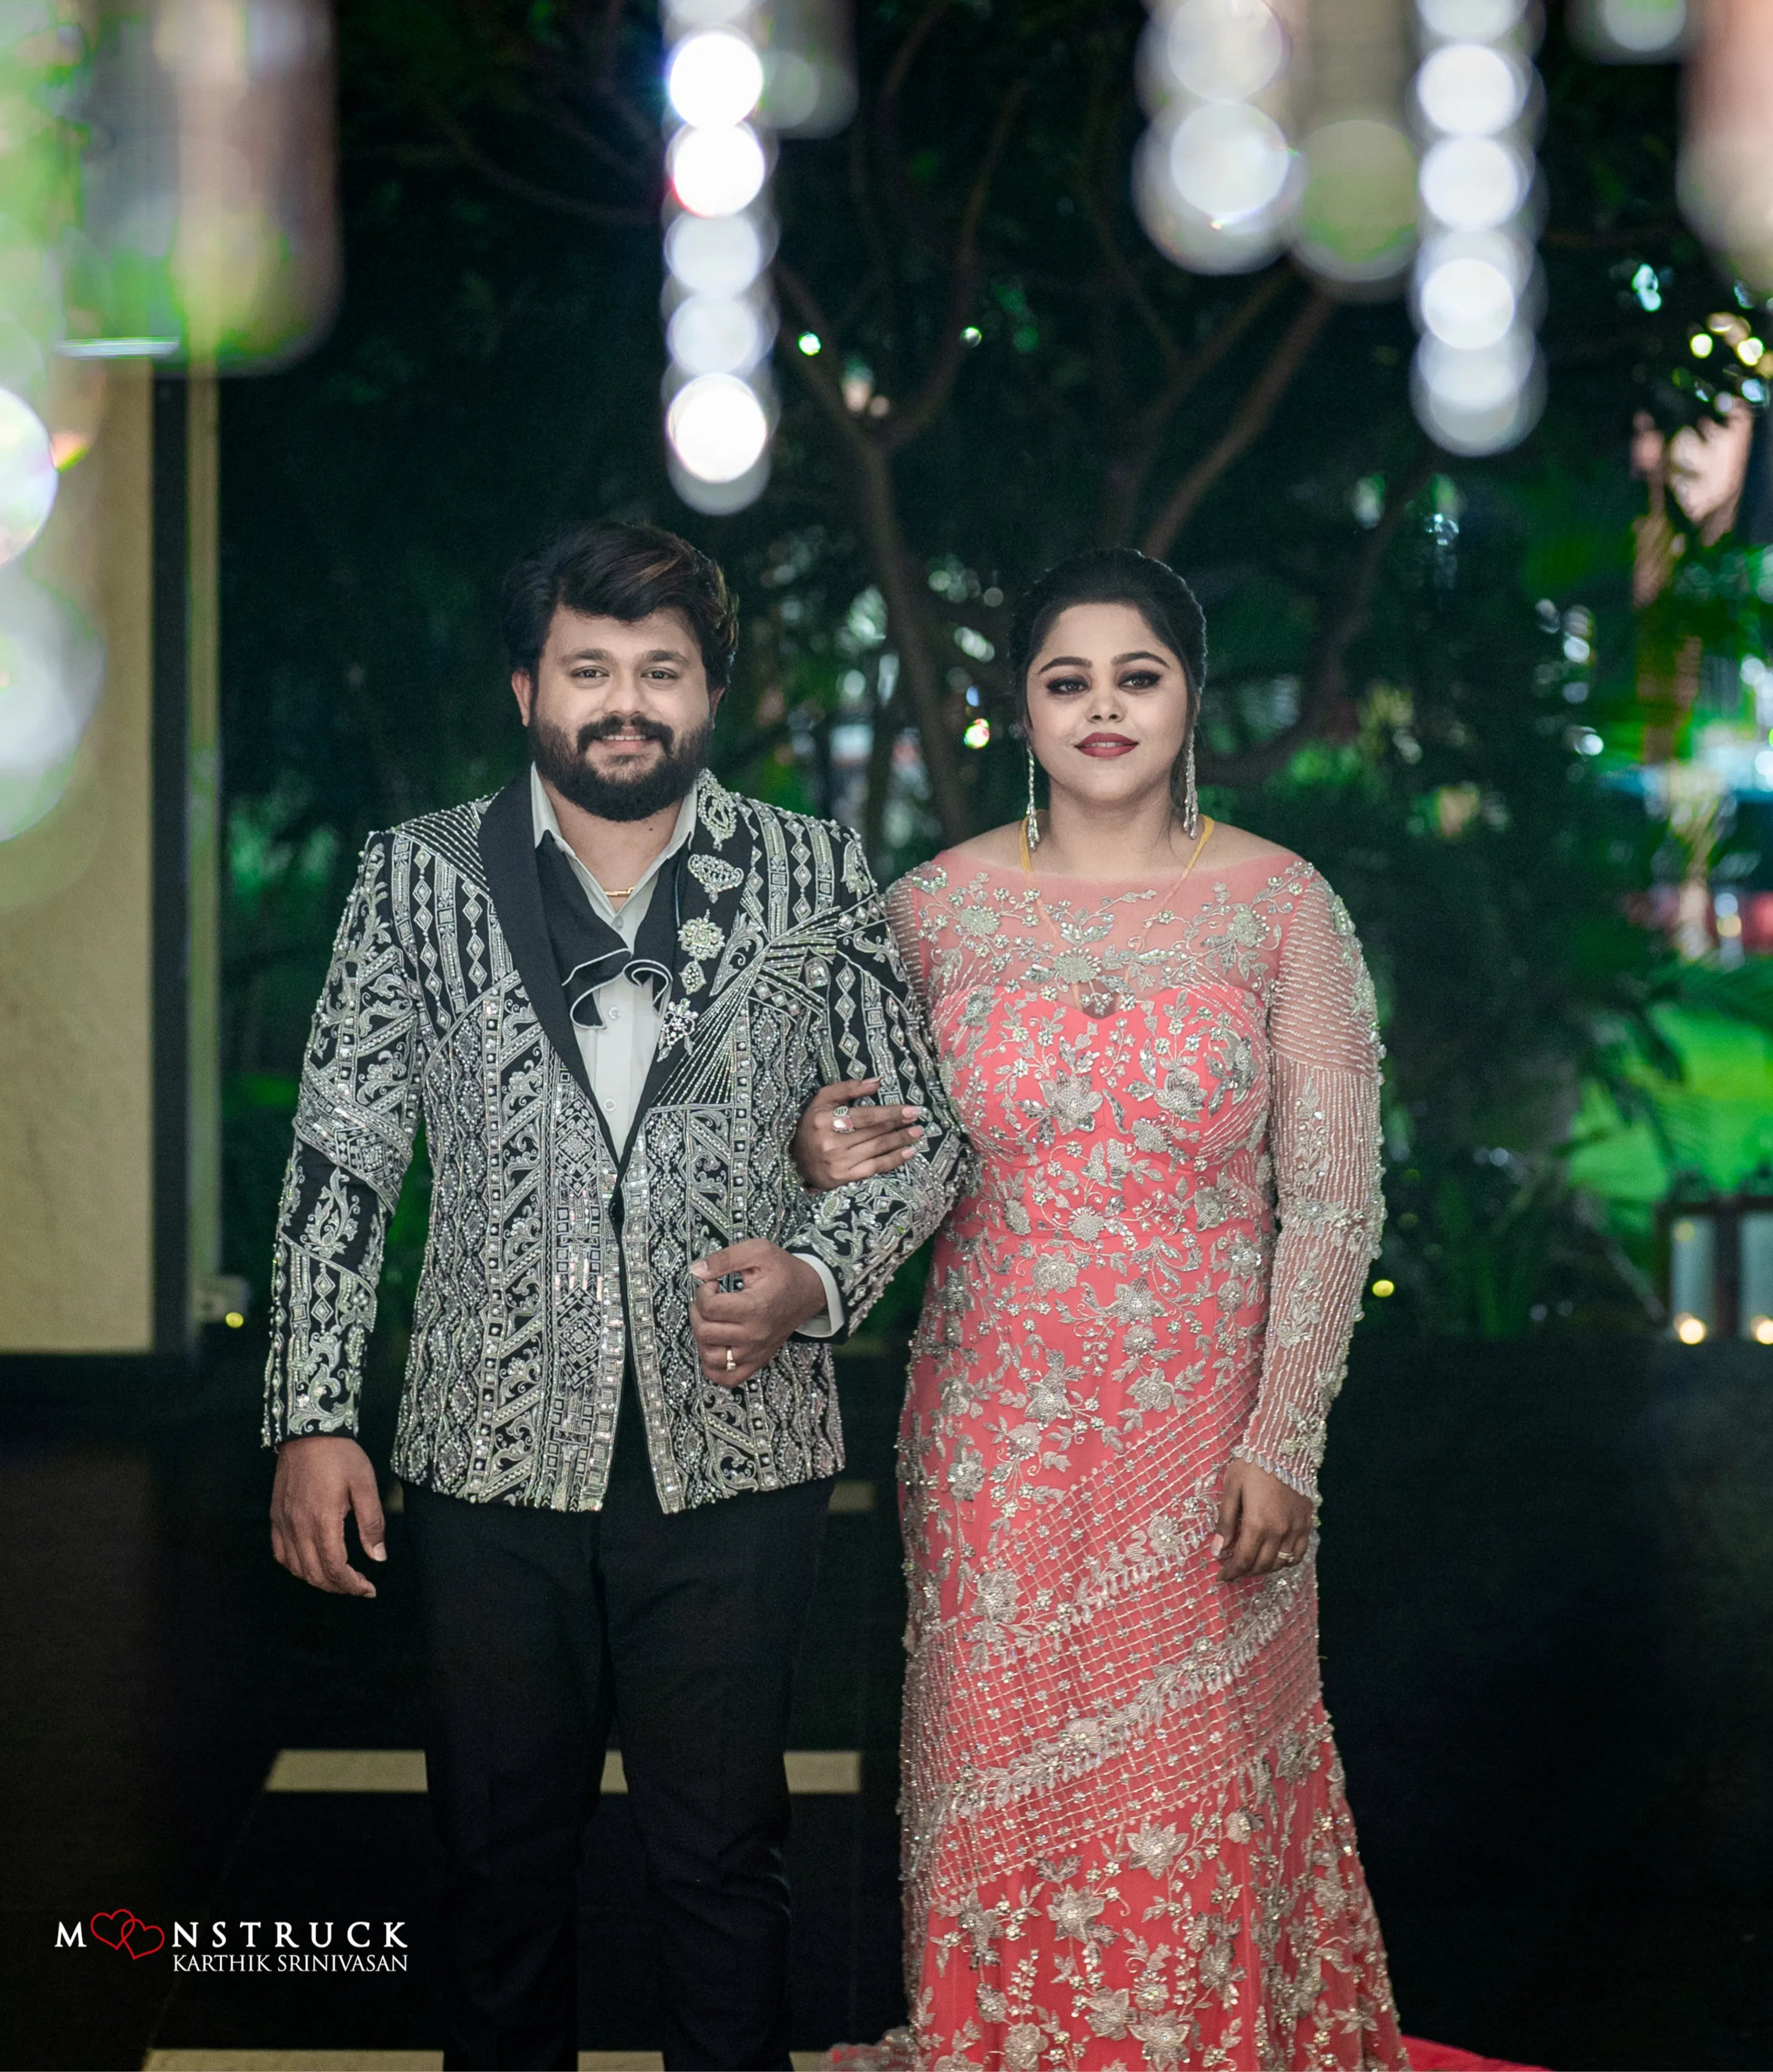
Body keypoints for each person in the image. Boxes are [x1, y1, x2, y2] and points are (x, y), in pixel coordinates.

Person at [263, 518, 971, 2072]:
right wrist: (314, 1415)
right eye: (589, 669)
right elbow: (340, 1160)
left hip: (737, 1456)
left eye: (661, 670)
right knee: (495, 1866)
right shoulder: (415, 877)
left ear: (711, 693)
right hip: (486, 1452)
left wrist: (814, 1275)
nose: (626, 703)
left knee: (719, 1862)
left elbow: (922, 1137)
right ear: (527, 689)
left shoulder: (810, 870)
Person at [800, 546, 1456, 2072]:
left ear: (1190, 698)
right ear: (1024, 710)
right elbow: (854, 1153)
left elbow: (1334, 1201)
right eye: (1067, 680)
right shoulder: (929, 913)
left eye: (1136, 676)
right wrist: (818, 1148)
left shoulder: (1281, 908)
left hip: (1208, 1439)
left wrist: (1284, 1437)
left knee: (1196, 1775)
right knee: (994, 1766)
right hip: (994, 1436)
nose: (1103, 708)